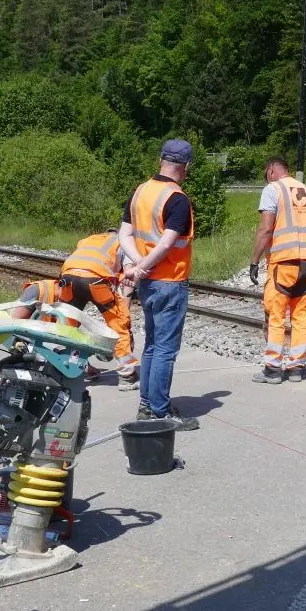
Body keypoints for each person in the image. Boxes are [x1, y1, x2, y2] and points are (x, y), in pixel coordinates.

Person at [120, 139, 199, 431]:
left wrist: (137, 264)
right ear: (186, 167)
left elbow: (124, 235)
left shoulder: (140, 191)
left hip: (148, 283)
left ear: (161, 160)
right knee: (165, 348)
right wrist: (143, 265)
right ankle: (160, 411)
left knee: (152, 345)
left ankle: (147, 404)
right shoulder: (177, 199)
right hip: (169, 281)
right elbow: (166, 244)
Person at [12, 230, 138, 389]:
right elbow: (128, 276)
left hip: (68, 279)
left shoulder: (89, 240)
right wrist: (124, 311)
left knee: (66, 325)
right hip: (95, 280)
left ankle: (59, 366)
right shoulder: (124, 242)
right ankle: (128, 376)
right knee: (118, 325)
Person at [250, 156, 306, 383]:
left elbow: (265, 229)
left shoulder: (273, 189)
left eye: (265, 174)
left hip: (282, 263)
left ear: (271, 170)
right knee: (301, 318)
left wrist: (254, 260)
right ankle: (296, 368)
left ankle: (272, 369)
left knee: (276, 316)